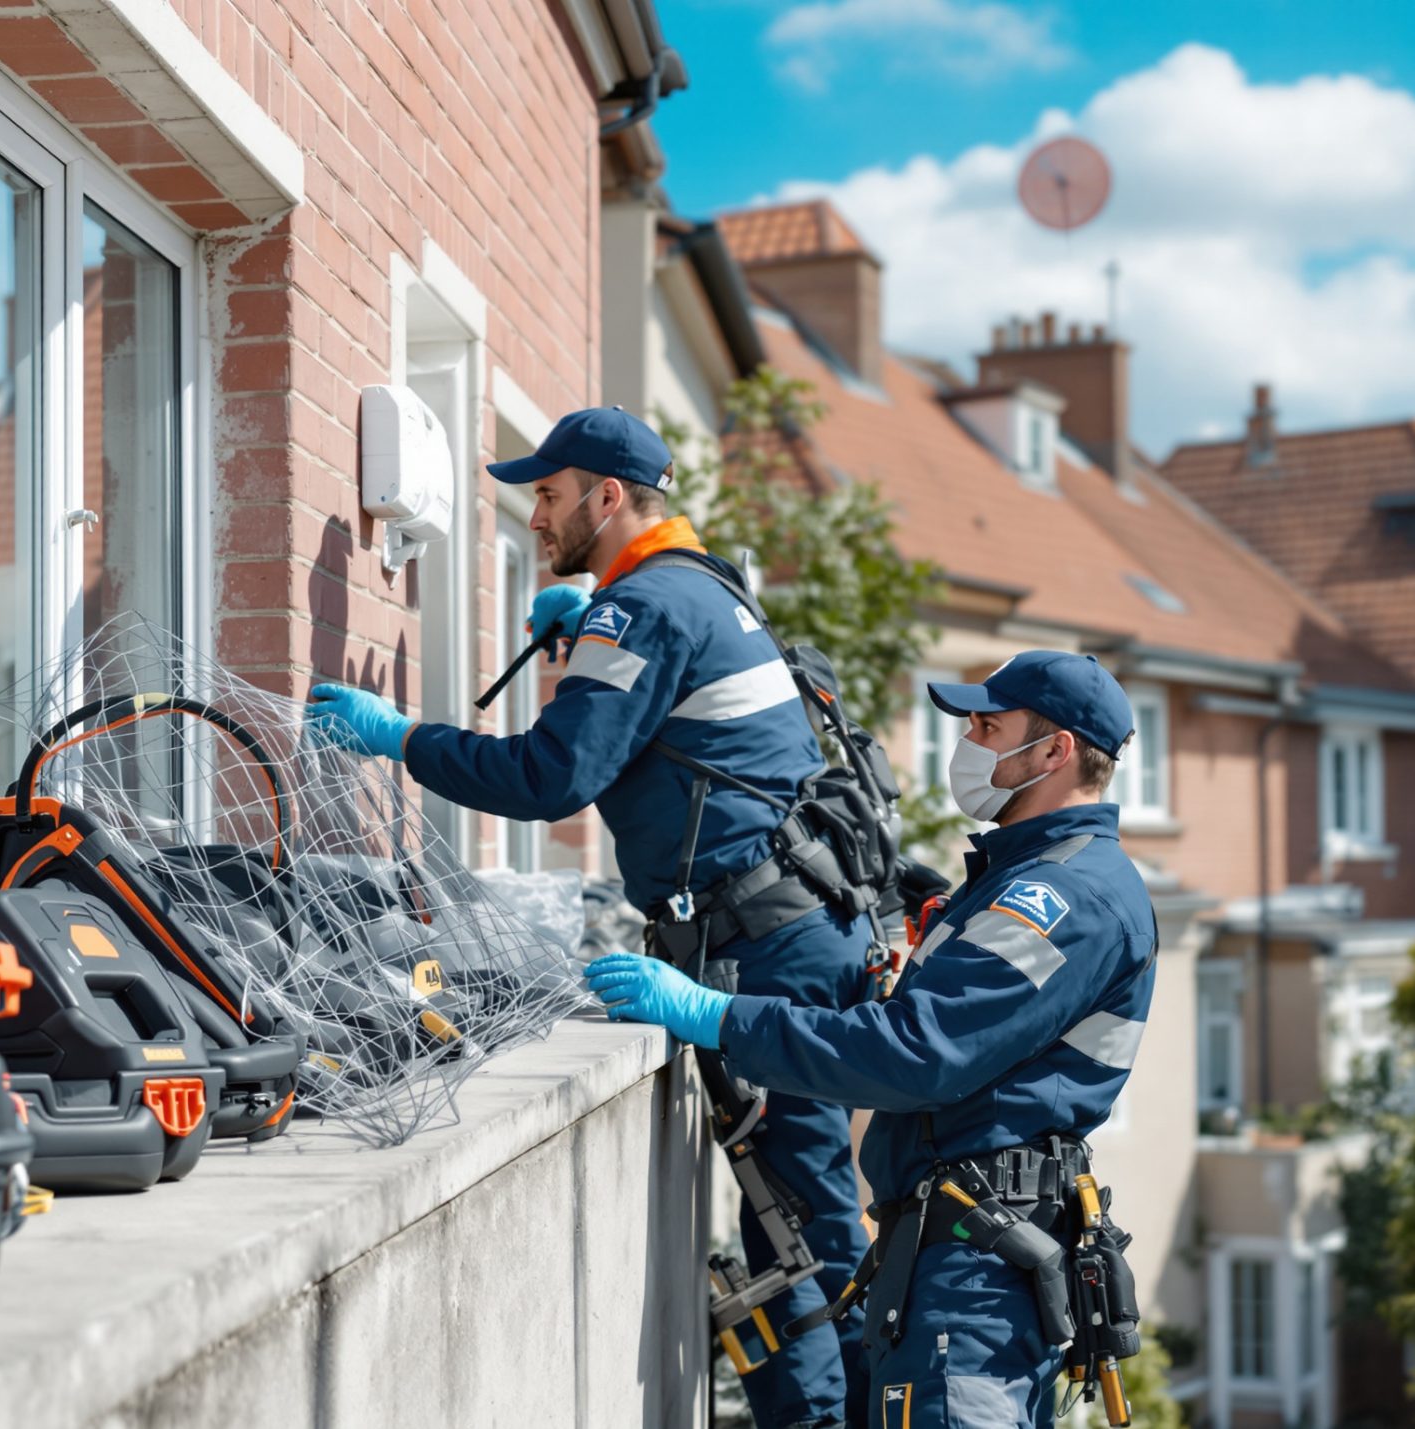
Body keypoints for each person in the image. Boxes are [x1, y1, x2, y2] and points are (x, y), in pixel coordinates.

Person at [305, 406, 879, 1429]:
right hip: (790, 927)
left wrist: (396, 736)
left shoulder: (645, 608)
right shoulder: (698, 587)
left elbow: (549, 776)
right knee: (801, 1220)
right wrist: (588, 626)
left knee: (794, 1233)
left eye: (550, 494)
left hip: (767, 945)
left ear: (607, 498)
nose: (536, 515)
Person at [588, 650, 1159, 1428]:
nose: (969, 742)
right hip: (950, 1261)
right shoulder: (1022, 877)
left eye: (990, 726)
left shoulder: (1064, 897)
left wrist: (719, 1015)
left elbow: (915, 1053)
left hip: (974, 1286)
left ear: (1056, 750)